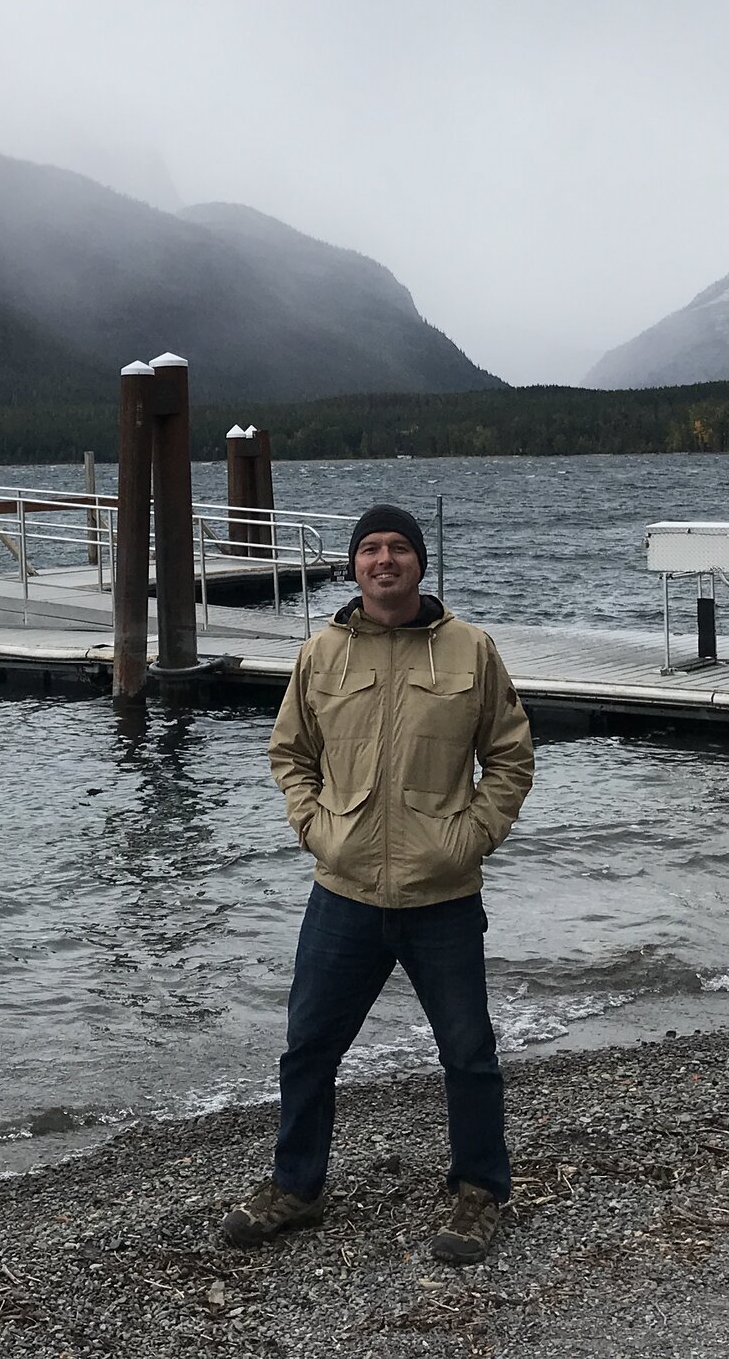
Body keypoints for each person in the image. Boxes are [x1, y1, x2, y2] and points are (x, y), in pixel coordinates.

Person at [220, 502, 536, 1266]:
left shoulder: (470, 650)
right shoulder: (322, 653)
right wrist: (315, 827)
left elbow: (510, 756)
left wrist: (469, 837)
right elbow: (290, 753)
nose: (384, 559)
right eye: (370, 548)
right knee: (308, 1047)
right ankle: (296, 1186)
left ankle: (480, 1191)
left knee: (469, 1052)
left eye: (398, 547)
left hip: (443, 895)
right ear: (354, 564)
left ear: (420, 562)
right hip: (344, 890)